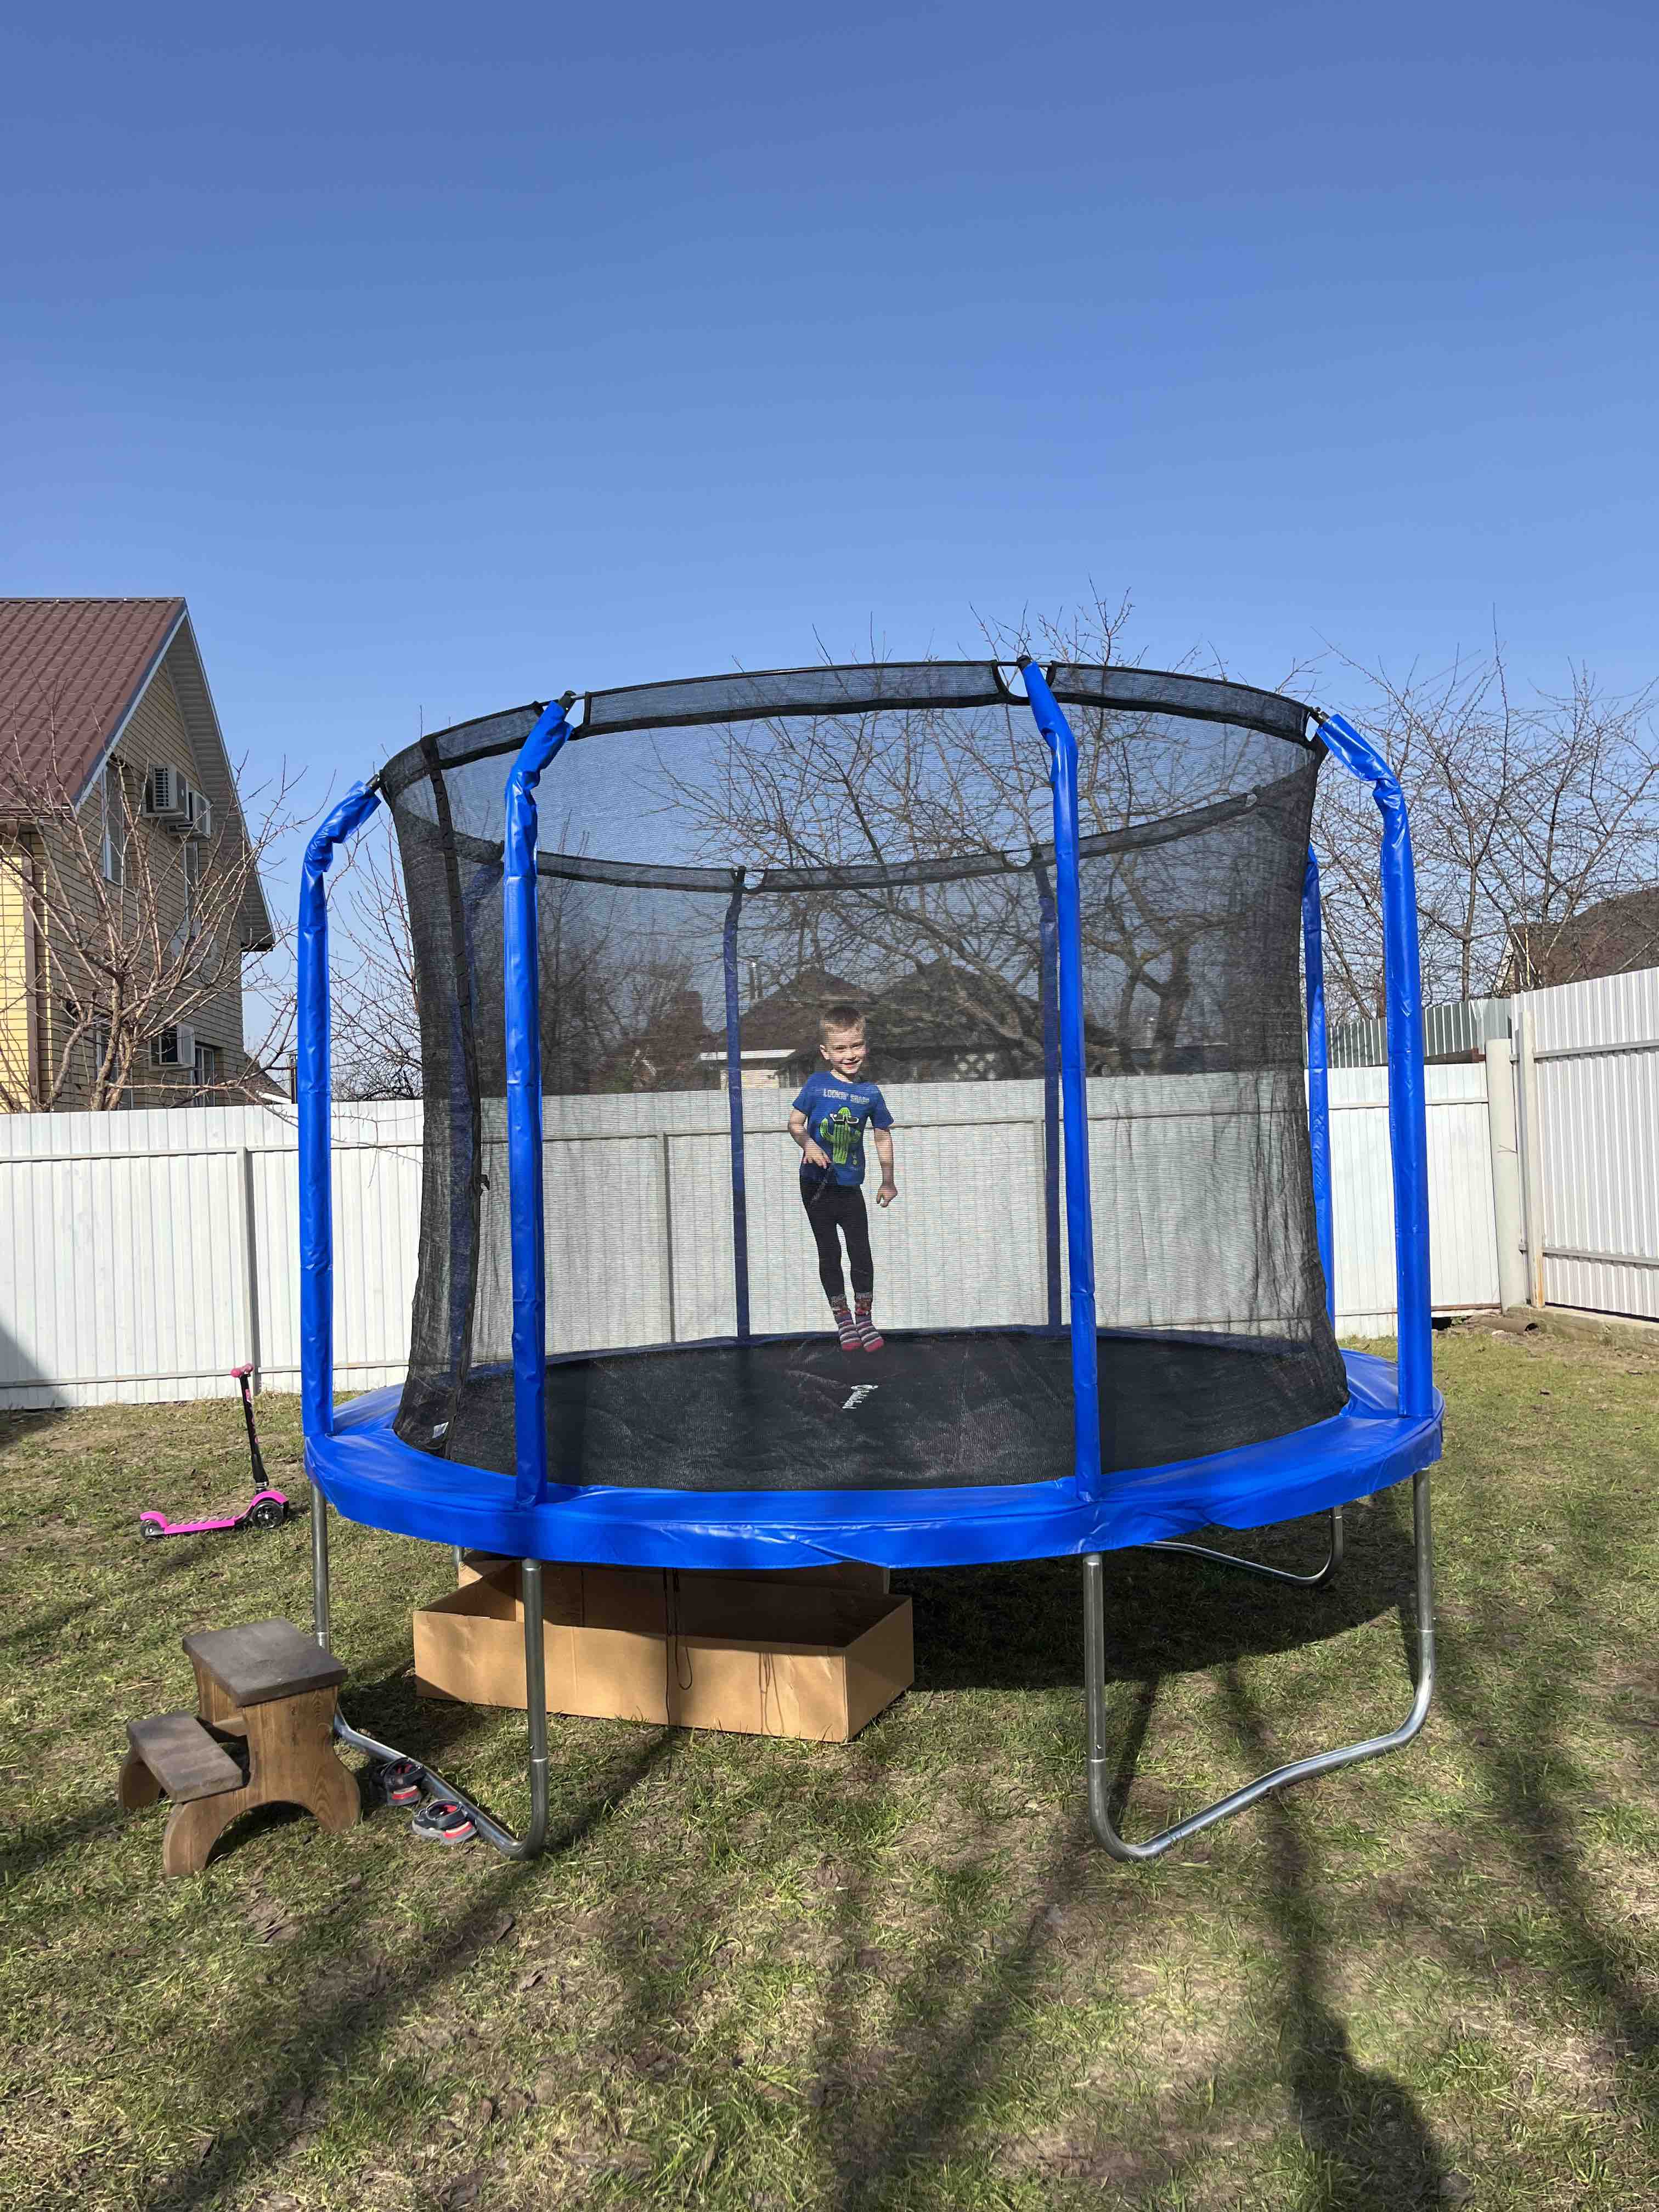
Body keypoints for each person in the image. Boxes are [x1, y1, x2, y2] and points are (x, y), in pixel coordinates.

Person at [789, 1006, 897, 1352]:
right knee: (830, 1250)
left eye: (856, 1046)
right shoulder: (816, 1085)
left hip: (850, 1184)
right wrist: (808, 1144)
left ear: (865, 1046)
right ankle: (843, 1318)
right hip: (816, 1183)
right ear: (826, 1052)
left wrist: (888, 1179)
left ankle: (864, 1316)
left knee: (860, 1250)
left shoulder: (870, 1094)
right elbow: (794, 1123)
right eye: (840, 1048)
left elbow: (882, 1134)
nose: (850, 1055)